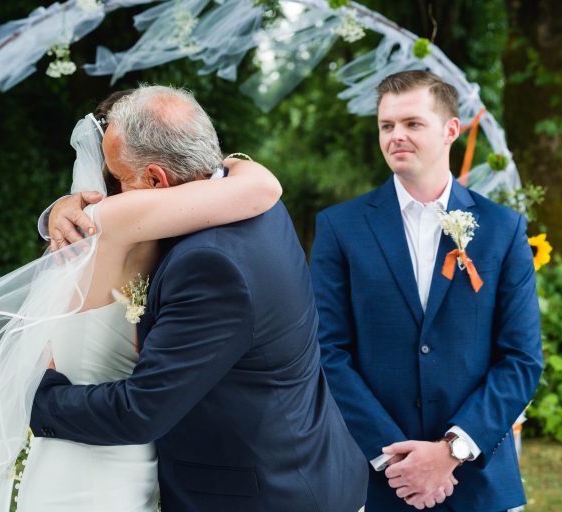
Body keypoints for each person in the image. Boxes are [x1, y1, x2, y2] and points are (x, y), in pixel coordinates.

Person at [29, 84, 369, 512]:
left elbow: (141, 410)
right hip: (311, 464)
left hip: (268, 495)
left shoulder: (209, 265)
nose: (111, 191)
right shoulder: (252, 201)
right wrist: (62, 208)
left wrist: (38, 401)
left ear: (157, 179)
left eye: (119, 178)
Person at [309, 70, 542, 511]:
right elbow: (325, 352)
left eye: (412, 123)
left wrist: (451, 450)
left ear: (451, 130)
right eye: (387, 125)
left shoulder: (503, 229)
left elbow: (521, 358)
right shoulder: (340, 228)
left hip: (480, 483)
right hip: (376, 481)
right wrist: (396, 460)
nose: (396, 135)